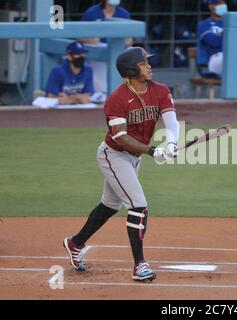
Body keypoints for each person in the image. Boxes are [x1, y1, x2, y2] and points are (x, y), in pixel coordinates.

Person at [63, 47, 179, 282]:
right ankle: (140, 266)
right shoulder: (116, 99)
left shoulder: (160, 91)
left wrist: (172, 142)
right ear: (130, 70)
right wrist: (152, 150)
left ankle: (75, 243)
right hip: (114, 155)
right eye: (143, 63)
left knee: (109, 205)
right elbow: (121, 138)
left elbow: (171, 121)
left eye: (148, 62)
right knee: (138, 205)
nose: (149, 66)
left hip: (133, 157)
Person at [80, 0, 133, 93]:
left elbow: (130, 39)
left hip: (117, 53)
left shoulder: (124, 13)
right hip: (97, 56)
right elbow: (79, 36)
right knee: (100, 88)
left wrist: (125, 43)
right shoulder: (91, 13)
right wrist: (90, 40)